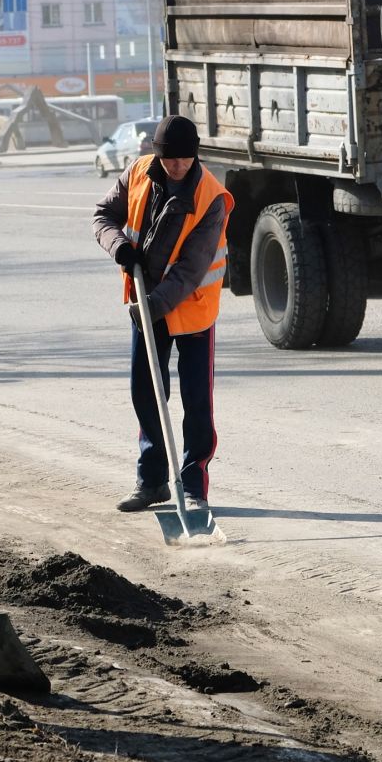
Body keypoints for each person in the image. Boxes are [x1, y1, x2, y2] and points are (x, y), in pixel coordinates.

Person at [91, 114, 232, 519]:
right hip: (145, 304)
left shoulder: (211, 197)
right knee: (146, 392)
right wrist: (119, 246)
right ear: (157, 154)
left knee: (196, 403)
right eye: (171, 160)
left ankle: (192, 489)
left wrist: (151, 306)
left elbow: (191, 269)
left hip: (191, 309)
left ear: (195, 155)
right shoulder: (137, 173)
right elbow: (102, 216)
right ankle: (151, 481)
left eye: (185, 160)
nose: (178, 167)